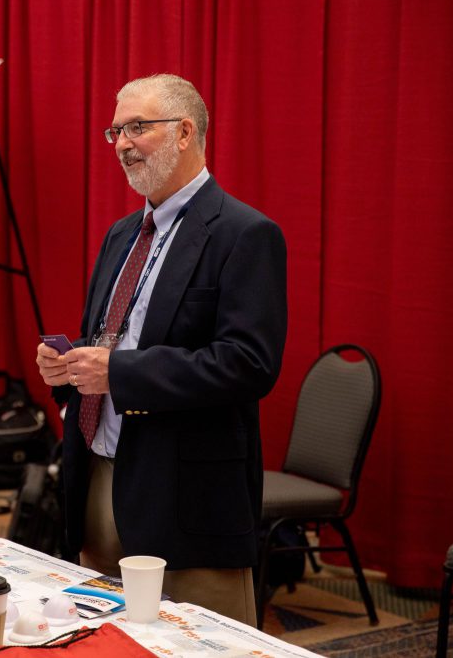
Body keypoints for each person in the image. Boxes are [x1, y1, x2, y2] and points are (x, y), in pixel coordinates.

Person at [35, 74, 287, 626]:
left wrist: (120, 373)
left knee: (194, 639)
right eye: (114, 130)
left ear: (184, 132)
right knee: (105, 636)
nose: (121, 143)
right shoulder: (122, 233)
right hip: (101, 477)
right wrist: (69, 362)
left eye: (136, 128)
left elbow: (248, 364)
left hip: (187, 495)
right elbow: (113, 340)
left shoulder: (244, 234)